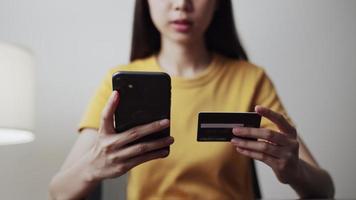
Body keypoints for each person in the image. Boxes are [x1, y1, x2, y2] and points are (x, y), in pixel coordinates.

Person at [49, 0, 334, 199]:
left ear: (218, 2)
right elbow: (58, 192)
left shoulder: (250, 78)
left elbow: (324, 189)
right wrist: (93, 167)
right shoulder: (120, 81)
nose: (181, 4)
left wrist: (295, 170)